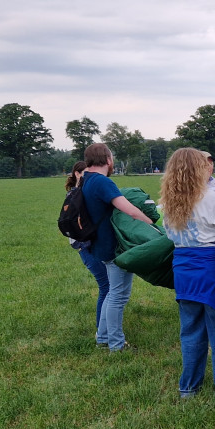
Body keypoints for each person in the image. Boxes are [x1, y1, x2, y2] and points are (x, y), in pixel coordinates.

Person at [159, 147, 215, 400]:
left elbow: (169, 235)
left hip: (182, 269)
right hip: (209, 270)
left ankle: (188, 388)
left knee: (190, 330)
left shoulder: (168, 200)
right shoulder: (209, 197)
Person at [80, 143, 154, 352]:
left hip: (100, 245)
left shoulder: (86, 179)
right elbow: (130, 210)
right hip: (113, 247)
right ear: (108, 160)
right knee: (118, 296)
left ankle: (103, 339)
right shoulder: (102, 182)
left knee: (112, 293)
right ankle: (116, 344)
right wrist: (151, 224)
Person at [66, 160, 110, 340]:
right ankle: (102, 332)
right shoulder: (77, 195)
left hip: (87, 246)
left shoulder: (77, 193)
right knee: (106, 286)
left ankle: (105, 328)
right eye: (84, 172)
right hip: (86, 247)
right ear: (77, 174)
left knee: (107, 286)